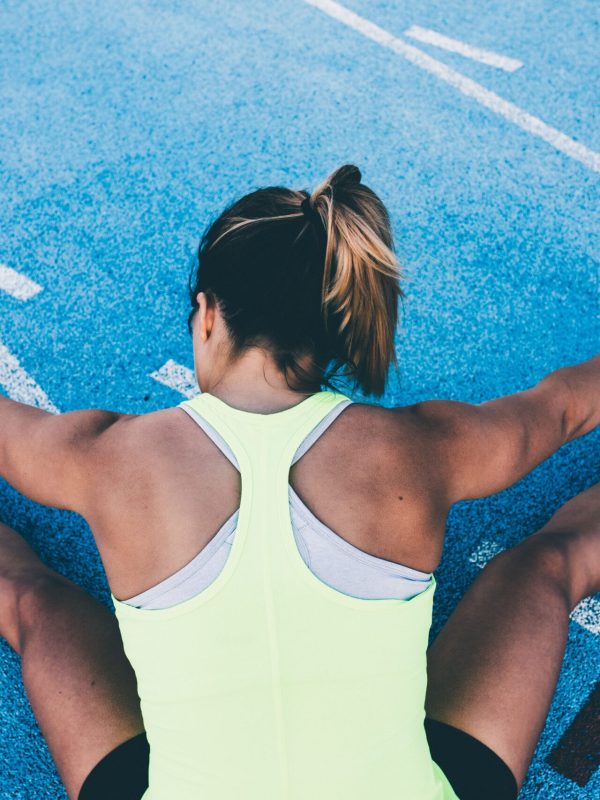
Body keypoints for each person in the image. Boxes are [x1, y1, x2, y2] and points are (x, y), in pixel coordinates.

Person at [0, 163, 597, 800]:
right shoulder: (420, 449)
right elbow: (561, 409)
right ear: (334, 322)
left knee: (30, 599)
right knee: (546, 565)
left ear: (205, 315)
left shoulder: (108, 459)